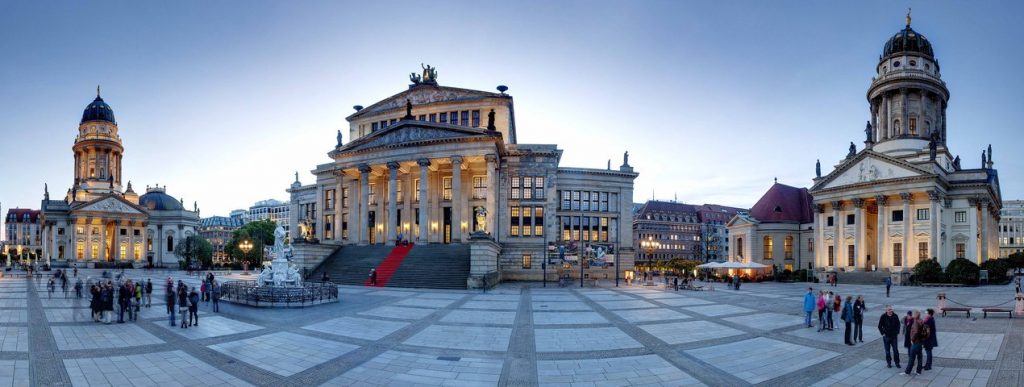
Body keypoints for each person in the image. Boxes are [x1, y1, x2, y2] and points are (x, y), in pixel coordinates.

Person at [901, 310, 927, 376]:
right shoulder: (921, 320)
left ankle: (907, 372)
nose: (912, 315)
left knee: (911, 358)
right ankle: (918, 371)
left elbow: (915, 332)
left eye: (913, 314)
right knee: (920, 357)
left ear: (915, 315)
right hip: (920, 342)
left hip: (916, 342)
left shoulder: (915, 322)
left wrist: (912, 339)